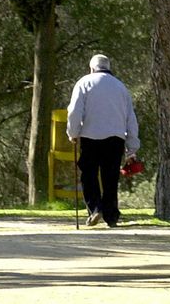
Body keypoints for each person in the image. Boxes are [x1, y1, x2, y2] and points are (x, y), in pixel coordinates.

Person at [66, 54, 139, 228]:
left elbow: (75, 111)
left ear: (91, 68)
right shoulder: (121, 87)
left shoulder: (84, 82)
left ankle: (95, 208)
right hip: (115, 138)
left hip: (90, 136)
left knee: (88, 174)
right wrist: (132, 147)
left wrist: (73, 133)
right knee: (110, 177)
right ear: (108, 67)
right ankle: (111, 216)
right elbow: (131, 118)